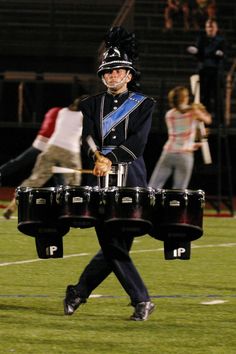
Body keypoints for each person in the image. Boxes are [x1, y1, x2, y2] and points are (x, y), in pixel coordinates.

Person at [63, 26, 156, 321]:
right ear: (103, 76)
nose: (113, 76)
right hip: (100, 178)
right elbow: (87, 138)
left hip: (131, 178)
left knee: (116, 245)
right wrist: (97, 156)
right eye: (108, 72)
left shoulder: (143, 104)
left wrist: (112, 158)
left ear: (129, 75)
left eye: (118, 71)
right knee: (111, 242)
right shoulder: (91, 104)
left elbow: (139, 142)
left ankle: (78, 291)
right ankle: (141, 300)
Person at [3, 98, 84, 219]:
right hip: (70, 152)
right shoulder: (84, 115)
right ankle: (72, 213)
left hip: (51, 148)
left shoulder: (62, 112)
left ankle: (12, 206)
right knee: (73, 184)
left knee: (34, 180)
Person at [148, 86, 212, 189]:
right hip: (184, 154)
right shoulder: (193, 112)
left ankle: (147, 204)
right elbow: (208, 120)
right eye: (186, 96)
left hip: (169, 153)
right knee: (180, 189)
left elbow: (181, 133)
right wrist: (200, 109)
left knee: (154, 186)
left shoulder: (169, 114)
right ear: (183, 98)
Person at [0, 106, 61, 187]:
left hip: (43, 144)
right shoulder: (59, 112)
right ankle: (63, 191)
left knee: (18, 162)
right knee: (57, 170)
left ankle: (63, 191)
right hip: (48, 145)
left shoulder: (54, 111)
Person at [187, 19, 226, 124]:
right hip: (203, 71)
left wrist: (220, 54)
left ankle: (219, 120)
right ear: (206, 28)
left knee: (217, 96)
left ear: (216, 28)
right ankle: (205, 119)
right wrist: (195, 52)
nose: (210, 29)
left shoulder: (221, 40)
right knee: (204, 96)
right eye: (208, 26)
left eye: (212, 26)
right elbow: (199, 54)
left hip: (216, 71)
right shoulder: (201, 39)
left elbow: (224, 55)